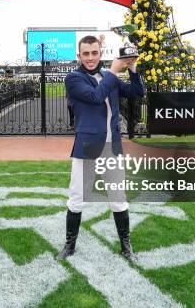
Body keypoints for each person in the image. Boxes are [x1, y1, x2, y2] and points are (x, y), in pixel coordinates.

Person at [57, 35, 144, 262]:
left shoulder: (107, 76)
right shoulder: (73, 78)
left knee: (118, 196)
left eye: (94, 53)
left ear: (100, 53)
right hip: (87, 146)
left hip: (112, 147)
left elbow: (137, 93)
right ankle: (70, 245)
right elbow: (96, 97)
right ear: (79, 55)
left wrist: (133, 68)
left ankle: (126, 246)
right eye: (85, 54)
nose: (90, 58)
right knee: (77, 196)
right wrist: (114, 72)